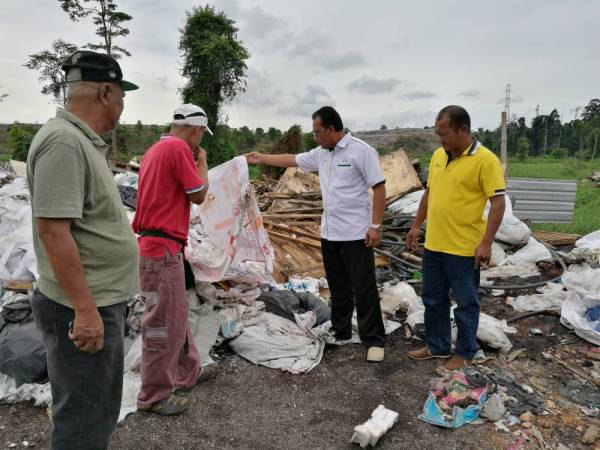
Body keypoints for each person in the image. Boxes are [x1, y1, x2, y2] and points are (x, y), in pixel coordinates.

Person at [26, 50, 139, 450]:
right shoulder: (65, 143)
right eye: (123, 96)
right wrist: (87, 311)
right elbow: (54, 233)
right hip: (82, 306)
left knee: (96, 408)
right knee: (84, 418)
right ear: (106, 92)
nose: (124, 107)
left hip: (95, 300)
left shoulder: (81, 142)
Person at [246, 106, 387, 362]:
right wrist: (261, 158)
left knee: (363, 287)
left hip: (356, 233)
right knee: (338, 285)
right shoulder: (321, 154)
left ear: (332, 128)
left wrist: (375, 226)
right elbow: (292, 159)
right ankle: (341, 330)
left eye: (317, 131)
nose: (315, 137)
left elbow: (379, 188)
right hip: (330, 232)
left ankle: (374, 340)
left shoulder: (361, 151)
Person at [132, 104, 218, 416]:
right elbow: (197, 193)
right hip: (161, 250)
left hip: (160, 248)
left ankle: (187, 371)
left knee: (176, 313)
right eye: (201, 137)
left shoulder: (156, 149)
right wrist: (204, 163)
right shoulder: (179, 148)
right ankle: (153, 395)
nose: (199, 142)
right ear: (196, 130)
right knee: (161, 323)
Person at [406, 105, 506, 370]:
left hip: (463, 249)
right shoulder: (439, 155)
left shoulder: (486, 160)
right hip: (434, 245)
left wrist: (486, 243)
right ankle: (437, 346)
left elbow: (498, 203)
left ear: (463, 129)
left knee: (465, 303)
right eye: (438, 134)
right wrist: (416, 226)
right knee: (433, 299)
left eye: (444, 134)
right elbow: (429, 193)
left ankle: (464, 352)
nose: (440, 140)